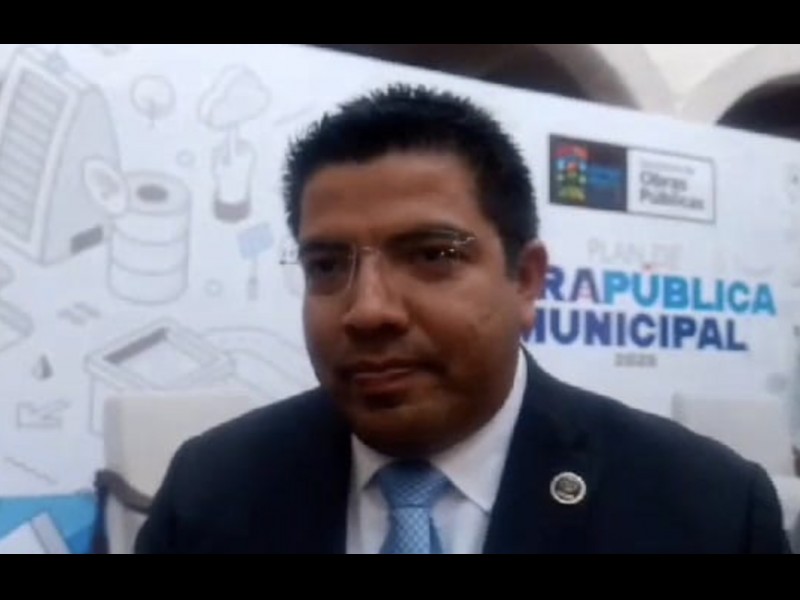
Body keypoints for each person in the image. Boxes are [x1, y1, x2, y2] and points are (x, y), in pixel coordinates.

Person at [134, 84, 790, 554]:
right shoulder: (211, 491)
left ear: (526, 280)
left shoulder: (706, 511)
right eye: (327, 265)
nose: (368, 310)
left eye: (432, 255)